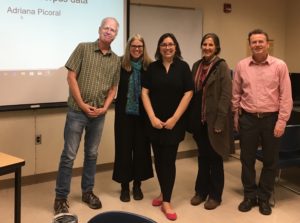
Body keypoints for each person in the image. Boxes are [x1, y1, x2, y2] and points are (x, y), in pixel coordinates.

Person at [53, 17, 121, 215]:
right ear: (99, 29)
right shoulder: (83, 48)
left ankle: (87, 192)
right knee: (69, 156)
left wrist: (105, 108)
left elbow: (113, 88)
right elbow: (71, 77)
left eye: (113, 30)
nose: (109, 32)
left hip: (98, 115)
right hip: (77, 111)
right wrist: (82, 104)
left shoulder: (116, 60)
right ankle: (60, 198)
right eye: (106, 28)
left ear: (116, 35)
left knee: (91, 155)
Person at [232, 29, 293, 215]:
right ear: (249, 44)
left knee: (270, 161)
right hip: (248, 119)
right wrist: (236, 115)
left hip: (271, 119)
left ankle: (264, 196)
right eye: (253, 42)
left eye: (261, 41)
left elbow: (286, 96)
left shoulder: (280, 66)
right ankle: (250, 195)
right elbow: (236, 94)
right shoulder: (242, 66)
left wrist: (282, 121)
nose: (257, 44)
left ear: (268, 44)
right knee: (246, 159)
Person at [141, 33, 193, 221]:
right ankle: (164, 193)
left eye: (171, 44)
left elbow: (188, 93)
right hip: (154, 123)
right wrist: (152, 117)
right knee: (159, 160)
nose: (167, 47)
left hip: (174, 124)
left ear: (176, 47)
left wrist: (174, 119)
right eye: (164, 44)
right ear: (159, 47)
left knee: (168, 161)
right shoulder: (152, 68)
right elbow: (144, 93)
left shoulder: (183, 67)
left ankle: (167, 201)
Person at [188, 33, 232, 210]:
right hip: (200, 121)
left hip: (215, 121)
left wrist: (220, 121)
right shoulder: (196, 65)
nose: (207, 47)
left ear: (217, 48)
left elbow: (225, 95)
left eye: (211, 45)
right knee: (202, 157)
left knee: (215, 158)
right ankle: (200, 191)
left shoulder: (222, 66)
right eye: (204, 44)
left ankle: (215, 195)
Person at [112, 34, 154, 202]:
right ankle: (124, 186)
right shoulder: (120, 64)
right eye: (134, 46)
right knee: (123, 150)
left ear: (143, 49)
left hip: (143, 116)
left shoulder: (149, 67)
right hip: (124, 116)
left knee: (141, 151)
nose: (137, 49)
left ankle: (137, 185)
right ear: (129, 48)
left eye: (140, 47)